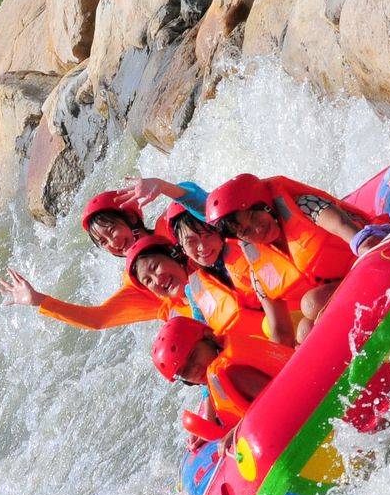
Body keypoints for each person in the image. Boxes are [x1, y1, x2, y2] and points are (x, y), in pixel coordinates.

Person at [206, 173, 373, 342]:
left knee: (311, 303)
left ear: (264, 203)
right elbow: (280, 331)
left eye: (253, 216)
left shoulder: (305, 206)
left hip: (368, 264)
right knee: (305, 331)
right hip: (342, 295)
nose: (257, 229)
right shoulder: (257, 271)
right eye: (246, 231)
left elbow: (355, 236)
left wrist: (369, 250)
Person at [0, 188, 164, 329]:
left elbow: (182, 199)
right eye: (104, 242)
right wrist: (39, 300)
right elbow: (99, 319)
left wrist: (162, 186)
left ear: (131, 218)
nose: (114, 243)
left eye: (112, 230)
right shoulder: (136, 282)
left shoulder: (166, 226)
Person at [160, 202, 308, 345]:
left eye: (208, 234)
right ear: (182, 249)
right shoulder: (194, 290)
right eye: (191, 241)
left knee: (269, 325)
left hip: (296, 317)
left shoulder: (250, 245)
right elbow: (205, 338)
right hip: (259, 343)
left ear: (218, 231)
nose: (202, 247)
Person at [151, 315, 293, 433]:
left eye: (193, 356)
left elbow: (279, 400)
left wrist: (237, 432)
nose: (194, 369)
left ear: (208, 336)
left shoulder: (233, 371)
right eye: (185, 371)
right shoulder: (218, 376)